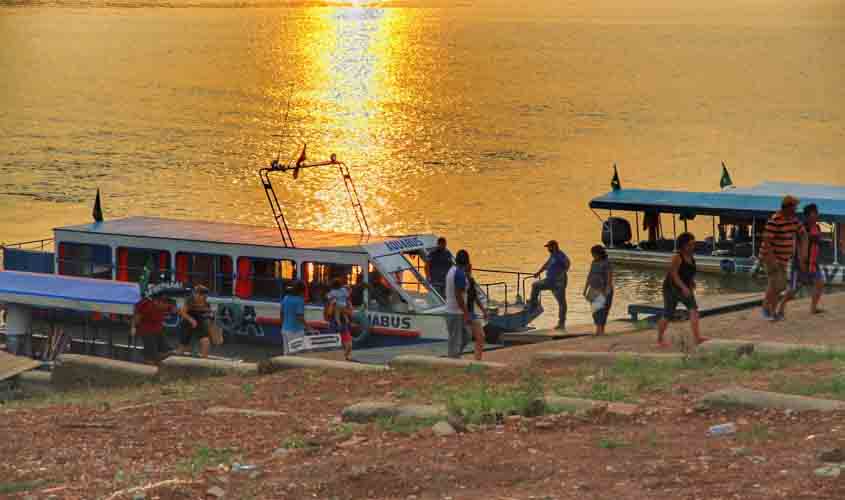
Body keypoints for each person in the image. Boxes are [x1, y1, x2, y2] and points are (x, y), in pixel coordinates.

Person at [656, 232, 706, 347]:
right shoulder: (677, 257)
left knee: (693, 310)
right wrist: (683, 287)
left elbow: (688, 273)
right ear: (683, 245)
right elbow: (674, 274)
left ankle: (697, 338)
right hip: (671, 289)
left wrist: (691, 282)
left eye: (693, 244)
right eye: (690, 244)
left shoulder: (691, 257)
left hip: (685, 287)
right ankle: (659, 339)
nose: (692, 246)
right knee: (668, 315)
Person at [760, 195, 805, 321]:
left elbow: (803, 233)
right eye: (794, 207)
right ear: (787, 207)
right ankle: (769, 311)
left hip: (783, 259)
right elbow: (767, 241)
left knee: (779, 286)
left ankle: (767, 309)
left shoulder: (793, 220)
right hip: (770, 257)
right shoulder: (775, 220)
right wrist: (773, 260)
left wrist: (803, 251)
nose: (796, 209)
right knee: (776, 285)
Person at [778, 203, 825, 317]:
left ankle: (813, 308)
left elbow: (818, 243)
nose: (816, 215)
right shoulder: (801, 228)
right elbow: (797, 246)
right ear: (808, 215)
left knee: (820, 282)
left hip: (813, 263)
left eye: (816, 213)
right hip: (800, 263)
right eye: (814, 213)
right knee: (793, 290)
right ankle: (781, 308)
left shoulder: (817, 227)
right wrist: (801, 261)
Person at [528, 240, 570, 330]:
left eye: (549, 247)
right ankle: (534, 304)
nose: (548, 249)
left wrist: (561, 274)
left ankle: (561, 323)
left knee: (562, 303)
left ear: (554, 246)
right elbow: (546, 264)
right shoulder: (553, 255)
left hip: (558, 282)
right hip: (549, 280)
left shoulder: (560, 255)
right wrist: (538, 273)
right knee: (535, 285)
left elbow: (567, 264)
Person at [133, 291, 175, 364]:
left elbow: (174, 309)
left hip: (159, 330)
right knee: (151, 358)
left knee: (168, 352)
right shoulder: (147, 305)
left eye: (168, 304)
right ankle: (149, 359)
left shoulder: (166, 305)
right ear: (157, 302)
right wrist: (133, 327)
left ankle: (151, 356)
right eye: (165, 304)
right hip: (147, 331)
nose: (167, 306)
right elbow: (137, 317)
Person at [444, 249, 471, 358]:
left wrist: (468, 274)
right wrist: (466, 313)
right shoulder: (459, 274)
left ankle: (455, 356)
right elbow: (458, 296)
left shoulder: (453, 270)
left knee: (466, 336)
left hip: (452, 310)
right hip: (455, 312)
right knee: (455, 341)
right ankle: (453, 359)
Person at [583, 245, 614, 336]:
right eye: (592, 254)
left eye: (594, 254)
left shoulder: (606, 263)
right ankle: (599, 329)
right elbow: (589, 275)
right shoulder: (593, 262)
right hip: (593, 290)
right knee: (595, 311)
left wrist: (607, 289)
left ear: (599, 253)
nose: (593, 255)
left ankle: (600, 330)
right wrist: (585, 289)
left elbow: (609, 276)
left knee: (602, 310)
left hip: (603, 290)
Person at [176, 285, 212, 358]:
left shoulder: (205, 301)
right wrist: (191, 320)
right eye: (196, 293)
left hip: (199, 320)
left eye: (205, 296)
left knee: (206, 341)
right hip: (187, 320)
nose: (204, 297)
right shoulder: (190, 299)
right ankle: (177, 360)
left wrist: (209, 316)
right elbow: (182, 312)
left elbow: (208, 312)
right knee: (183, 345)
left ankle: (204, 360)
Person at [327, 278, 353, 360]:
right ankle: (344, 358)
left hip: (340, 322)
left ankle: (344, 357)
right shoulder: (343, 293)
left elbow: (350, 312)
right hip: (336, 323)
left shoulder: (332, 293)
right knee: (340, 346)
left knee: (348, 345)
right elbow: (329, 313)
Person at [465, 263, 488, 360]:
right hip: (463, 313)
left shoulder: (471, 280)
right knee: (466, 338)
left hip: (470, 312)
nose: (469, 272)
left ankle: (477, 359)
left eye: (469, 270)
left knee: (481, 336)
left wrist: (483, 310)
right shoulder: (460, 281)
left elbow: (475, 297)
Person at [280, 280, 307, 355]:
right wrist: (309, 327)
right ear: (301, 291)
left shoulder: (285, 298)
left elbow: (281, 313)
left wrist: (283, 325)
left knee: (286, 353)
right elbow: (300, 317)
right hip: (296, 331)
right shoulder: (300, 301)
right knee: (297, 354)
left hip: (285, 330)